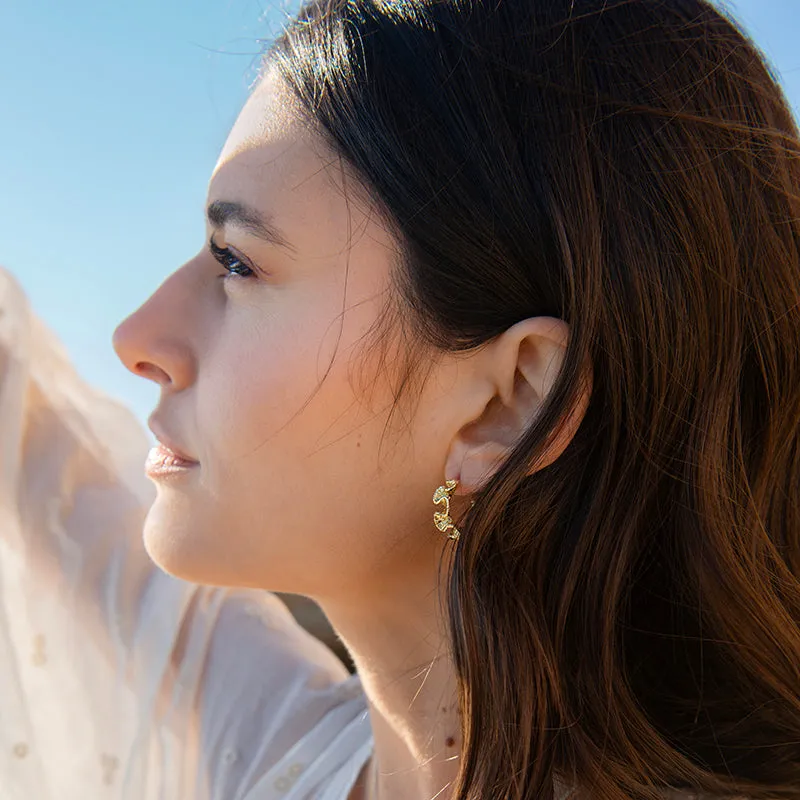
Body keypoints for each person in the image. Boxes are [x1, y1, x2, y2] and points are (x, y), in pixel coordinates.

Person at [1, 0, 798, 797]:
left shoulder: (267, 744)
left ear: (508, 404)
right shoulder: (285, 749)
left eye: (237, 262)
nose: (136, 336)